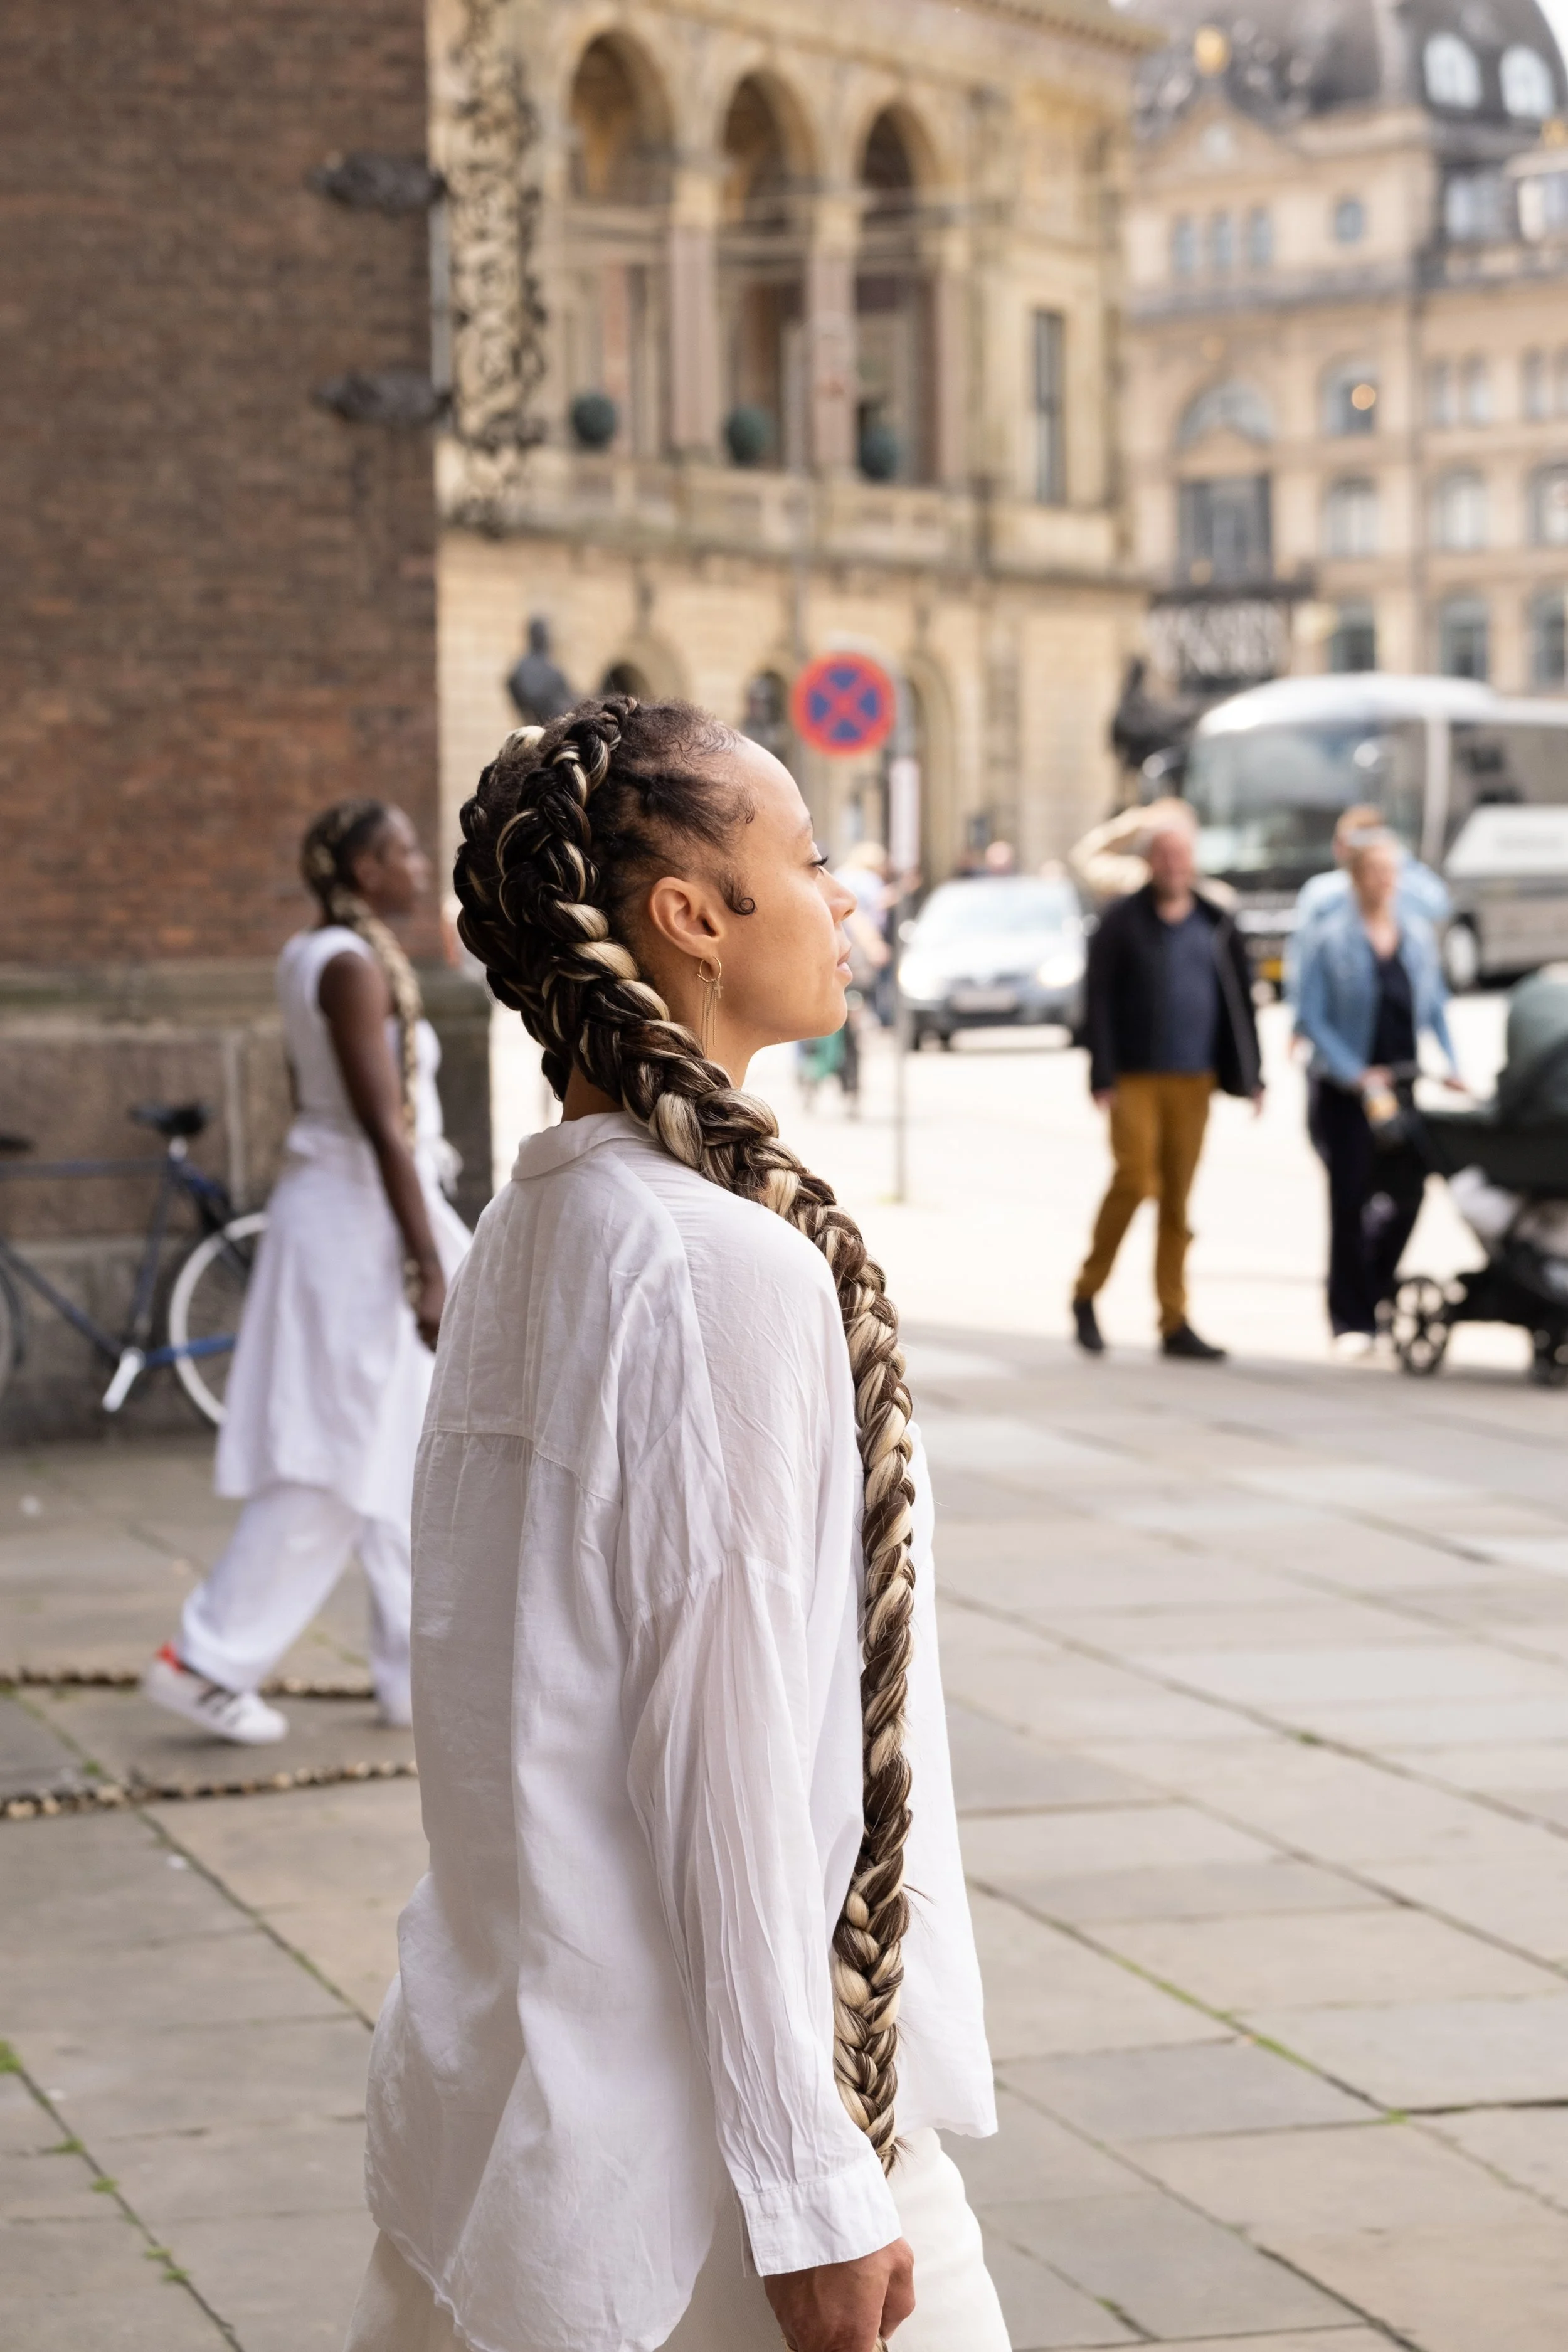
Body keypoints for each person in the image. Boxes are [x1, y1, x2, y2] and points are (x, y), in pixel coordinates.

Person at [344, 699, 1004, 2352]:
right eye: (805, 858)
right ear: (689, 917)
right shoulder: (719, 1265)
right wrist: (809, 2186)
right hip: (718, 2134)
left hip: (522, 2074)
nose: (842, 898)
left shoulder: (538, 1223)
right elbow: (727, 1760)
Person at [142, 803, 470, 1744]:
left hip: (345, 1216)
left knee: (403, 1447)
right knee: (334, 1457)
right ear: (366, 868)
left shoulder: (321, 953)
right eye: (404, 850)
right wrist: (426, 1261)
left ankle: (416, 1675)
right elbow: (384, 1127)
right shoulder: (350, 967)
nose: (419, 863)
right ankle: (208, 1657)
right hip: (357, 1228)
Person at [1073, 808, 1262, 1361]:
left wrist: (1253, 1075)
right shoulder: (1122, 921)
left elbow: (1240, 1001)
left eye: (1183, 856)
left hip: (1195, 1078)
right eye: (1165, 857)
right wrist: (1100, 1072)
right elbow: (1099, 1000)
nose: (1175, 866)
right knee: (1135, 1179)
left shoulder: (1216, 920)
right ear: (1149, 863)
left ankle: (1174, 1318)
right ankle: (1087, 1292)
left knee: (1178, 1199)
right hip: (1133, 1076)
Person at [1295, 830, 1461, 1355]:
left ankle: (1371, 1286)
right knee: (1350, 1200)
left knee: (1410, 1193)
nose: (1384, 883)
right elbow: (1311, 1017)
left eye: (1391, 874)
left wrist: (1452, 1064)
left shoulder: (1414, 935)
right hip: (1347, 1092)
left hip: (1402, 1085)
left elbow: (1434, 1006)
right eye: (1375, 873)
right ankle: (1350, 1317)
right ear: (1355, 877)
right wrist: (1356, 1073)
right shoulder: (1330, 937)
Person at [1285, 803, 1451, 1006]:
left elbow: (1440, 905)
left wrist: (1396, 856)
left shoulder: (1400, 885)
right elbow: (1302, 958)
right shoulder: (1322, 893)